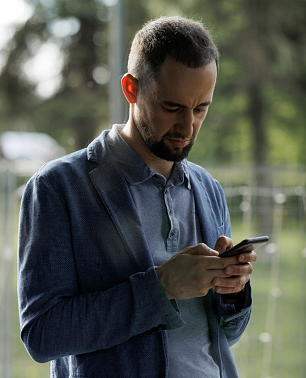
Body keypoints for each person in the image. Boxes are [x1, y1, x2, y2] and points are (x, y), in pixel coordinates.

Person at [17, 16, 257, 377]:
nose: (187, 127)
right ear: (131, 89)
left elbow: (222, 336)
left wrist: (232, 291)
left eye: (201, 108)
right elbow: (42, 334)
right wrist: (161, 288)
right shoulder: (58, 187)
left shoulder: (209, 189)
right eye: (172, 107)